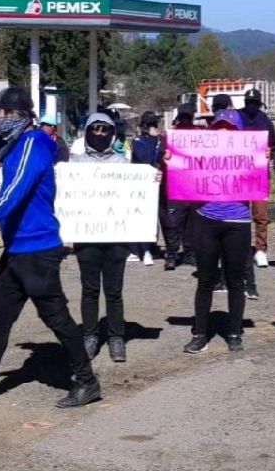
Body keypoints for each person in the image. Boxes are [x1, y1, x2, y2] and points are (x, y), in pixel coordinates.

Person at [0, 87, 103, 407]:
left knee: (56, 317)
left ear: (15, 116)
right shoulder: (17, 149)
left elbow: (11, 196)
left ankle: (87, 381)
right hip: (18, 248)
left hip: (38, 248)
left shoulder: (32, 145)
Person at [74, 112, 145, 363]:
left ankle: (117, 337)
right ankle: (90, 335)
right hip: (86, 237)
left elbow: (138, 193)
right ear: (88, 132)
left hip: (116, 237)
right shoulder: (75, 164)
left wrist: (151, 180)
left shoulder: (124, 164)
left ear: (112, 133)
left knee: (114, 291)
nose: (100, 134)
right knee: (89, 290)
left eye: (105, 130)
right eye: (96, 129)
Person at [179, 109, 251, 353]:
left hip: (238, 223)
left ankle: (234, 332)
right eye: (219, 127)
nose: (223, 132)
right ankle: (200, 333)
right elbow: (183, 173)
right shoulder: (200, 153)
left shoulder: (250, 155)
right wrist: (171, 160)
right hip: (206, 220)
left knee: (235, 281)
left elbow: (260, 179)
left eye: (230, 129)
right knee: (205, 280)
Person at [239, 88, 275, 267]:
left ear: (259, 103)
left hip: (260, 174)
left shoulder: (265, 121)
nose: (251, 106)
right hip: (239, 173)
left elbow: (274, 146)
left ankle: (261, 249)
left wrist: (270, 152)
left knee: (261, 214)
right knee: (239, 212)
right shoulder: (237, 118)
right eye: (249, 103)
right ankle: (241, 246)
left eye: (254, 103)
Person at [162, 103, 198, 270]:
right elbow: (161, 158)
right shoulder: (171, 136)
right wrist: (164, 158)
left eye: (187, 116)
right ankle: (172, 254)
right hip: (176, 184)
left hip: (193, 184)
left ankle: (189, 253)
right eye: (183, 117)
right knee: (174, 222)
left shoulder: (199, 134)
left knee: (191, 221)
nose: (185, 120)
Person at [130, 111, 165, 266]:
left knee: (153, 218)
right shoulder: (138, 141)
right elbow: (146, 159)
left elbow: (162, 159)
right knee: (139, 216)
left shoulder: (160, 141)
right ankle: (137, 249)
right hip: (140, 186)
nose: (155, 127)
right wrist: (152, 139)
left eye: (155, 124)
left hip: (156, 184)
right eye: (152, 125)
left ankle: (150, 246)